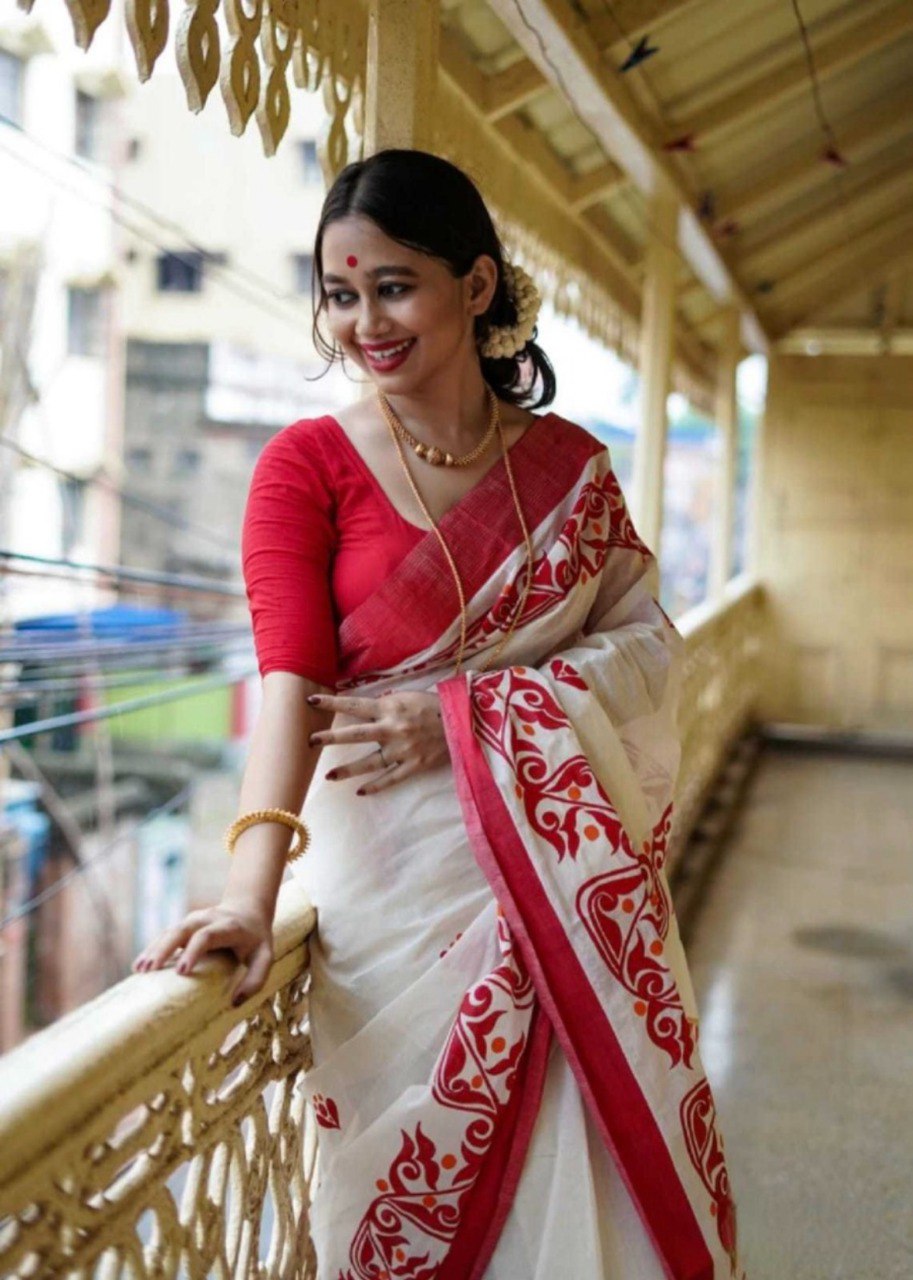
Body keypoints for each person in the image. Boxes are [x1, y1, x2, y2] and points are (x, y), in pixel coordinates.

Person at [133, 148, 745, 1280]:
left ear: (476, 285)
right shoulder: (305, 466)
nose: (364, 322)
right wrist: (249, 897)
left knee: (580, 1206)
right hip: (389, 912)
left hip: (562, 896)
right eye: (339, 293)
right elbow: (289, 689)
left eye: (393, 286)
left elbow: (651, 652)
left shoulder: (570, 473)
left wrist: (460, 713)